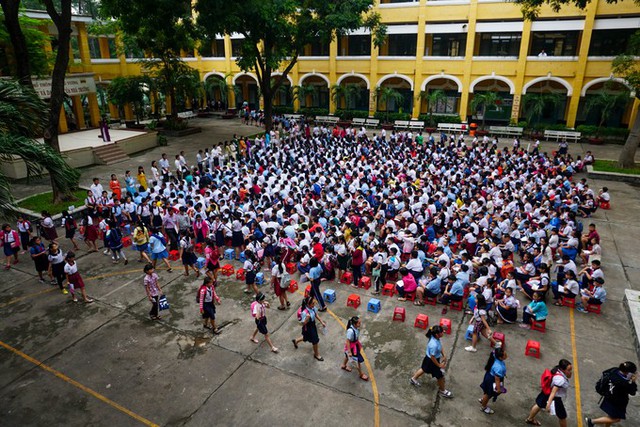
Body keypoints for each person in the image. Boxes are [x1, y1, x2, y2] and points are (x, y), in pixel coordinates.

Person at [586, 362, 637, 427]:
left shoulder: (614, 370)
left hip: (608, 396)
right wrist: (633, 382)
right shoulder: (624, 383)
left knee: (610, 416)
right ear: (628, 373)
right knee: (616, 419)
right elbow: (633, 392)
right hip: (617, 403)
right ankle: (592, 421)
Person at [410, 325, 453, 398]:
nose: (444, 332)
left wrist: (444, 355)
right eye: (442, 332)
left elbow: (440, 346)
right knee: (440, 376)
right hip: (432, 361)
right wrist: (439, 365)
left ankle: (413, 379)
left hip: (429, 359)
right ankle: (442, 391)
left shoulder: (435, 337)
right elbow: (432, 357)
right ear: (437, 334)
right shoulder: (433, 345)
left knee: (424, 369)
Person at [526, 359, 573, 427]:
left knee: (539, 405)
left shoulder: (557, 369)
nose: (570, 372)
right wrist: (549, 404)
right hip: (555, 398)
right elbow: (553, 392)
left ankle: (530, 419)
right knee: (562, 417)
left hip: (546, 392)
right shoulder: (560, 380)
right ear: (563, 369)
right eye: (569, 370)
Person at [292, 296, 327, 361]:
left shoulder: (312, 308)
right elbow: (303, 324)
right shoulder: (304, 312)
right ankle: (316, 355)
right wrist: (307, 319)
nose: (314, 305)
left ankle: (296, 341)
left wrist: (321, 322)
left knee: (306, 337)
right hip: (307, 328)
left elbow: (316, 314)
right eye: (313, 303)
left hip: (313, 326)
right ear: (308, 304)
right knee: (315, 340)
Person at [478, 347, 508, 415]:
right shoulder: (498, 367)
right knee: (488, 394)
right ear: (500, 357)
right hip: (492, 380)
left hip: (489, 376)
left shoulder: (495, 357)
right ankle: (483, 407)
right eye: (505, 355)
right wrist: (498, 389)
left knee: (487, 392)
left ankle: (483, 400)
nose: (506, 355)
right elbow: (497, 379)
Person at [341, 316, 369, 381]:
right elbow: (347, 341)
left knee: (347, 356)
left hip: (355, 345)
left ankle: (343, 365)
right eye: (359, 323)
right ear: (354, 324)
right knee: (357, 361)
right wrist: (350, 351)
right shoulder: (350, 331)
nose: (360, 324)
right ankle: (361, 374)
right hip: (352, 347)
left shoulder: (355, 328)